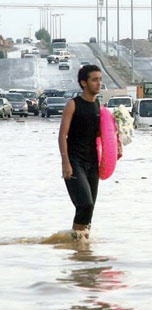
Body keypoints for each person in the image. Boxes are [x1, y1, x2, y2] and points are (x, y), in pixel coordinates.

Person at [58, 64, 103, 241]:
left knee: (89, 209)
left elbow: (100, 134)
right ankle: (76, 243)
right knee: (85, 204)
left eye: (100, 79)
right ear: (83, 83)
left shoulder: (98, 105)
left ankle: (81, 250)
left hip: (93, 163)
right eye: (94, 80)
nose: (99, 83)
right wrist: (65, 162)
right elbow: (62, 135)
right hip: (75, 161)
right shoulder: (73, 105)